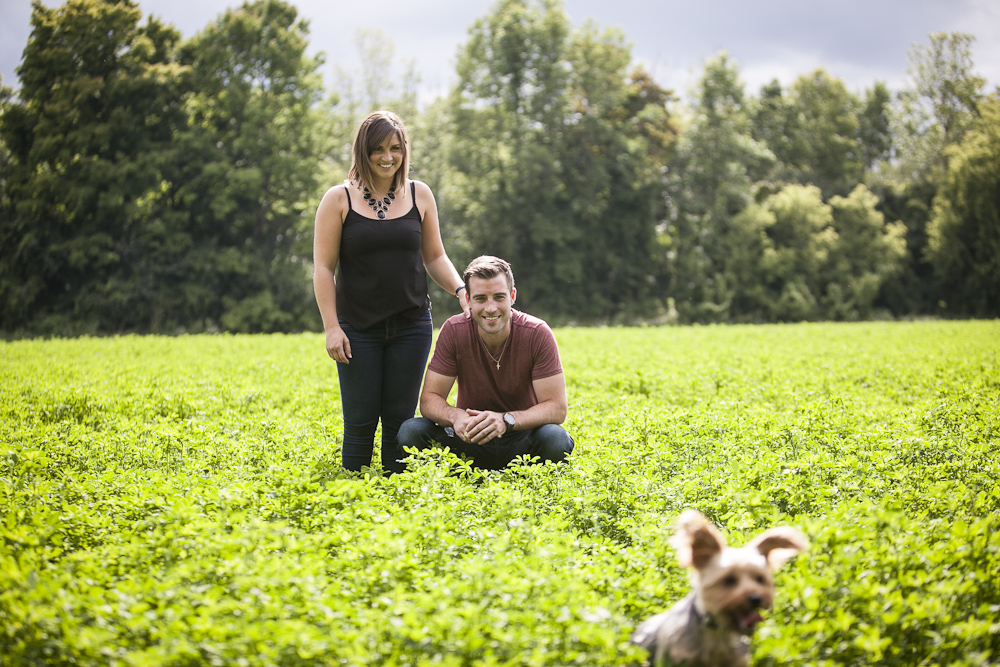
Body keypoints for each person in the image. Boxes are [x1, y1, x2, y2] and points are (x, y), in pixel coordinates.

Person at [313, 110, 470, 474]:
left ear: (404, 151)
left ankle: (392, 505)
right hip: (357, 330)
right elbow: (323, 268)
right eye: (378, 149)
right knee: (360, 423)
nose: (388, 157)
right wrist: (332, 327)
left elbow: (435, 256)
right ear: (362, 153)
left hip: (412, 327)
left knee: (399, 423)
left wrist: (460, 289)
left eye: (395, 148)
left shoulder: (420, 195)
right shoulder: (338, 200)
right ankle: (352, 503)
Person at [397, 255, 575, 470]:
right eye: (481, 298)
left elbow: (557, 409)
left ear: (512, 296)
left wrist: (505, 420)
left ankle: (525, 486)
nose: (491, 308)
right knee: (411, 430)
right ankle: (453, 487)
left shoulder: (537, 332)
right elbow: (429, 400)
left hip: (520, 439)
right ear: (468, 300)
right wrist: (456, 416)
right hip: (467, 438)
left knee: (555, 438)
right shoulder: (454, 330)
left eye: (499, 297)